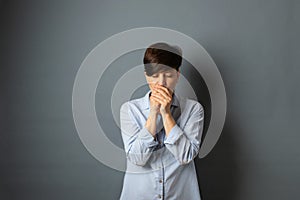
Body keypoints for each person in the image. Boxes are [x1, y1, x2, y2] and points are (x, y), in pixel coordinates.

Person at [119, 42, 204, 200]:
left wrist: (166, 115)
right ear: (146, 76)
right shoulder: (130, 110)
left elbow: (186, 156)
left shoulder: (194, 109)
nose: (162, 83)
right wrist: (153, 114)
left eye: (168, 75)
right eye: (154, 76)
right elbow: (137, 158)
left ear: (178, 74)